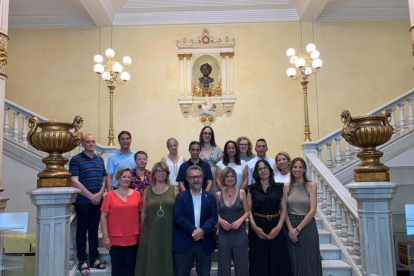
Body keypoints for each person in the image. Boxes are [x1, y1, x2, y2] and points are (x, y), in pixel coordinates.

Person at [69, 134, 107, 275]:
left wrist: (100, 194)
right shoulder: (76, 160)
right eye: (88, 142)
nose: (91, 144)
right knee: (82, 231)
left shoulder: (99, 160)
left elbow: (104, 179)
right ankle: (83, 261)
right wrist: (91, 196)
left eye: (93, 141)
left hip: (97, 201)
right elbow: (74, 181)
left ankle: (94, 259)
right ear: (83, 144)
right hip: (83, 202)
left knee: (93, 230)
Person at [247, 160, 291, 276]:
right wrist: (255, 227)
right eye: (260, 168)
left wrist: (279, 227)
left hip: (276, 224)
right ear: (256, 172)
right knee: (259, 259)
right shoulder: (251, 189)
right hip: (258, 226)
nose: (263, 170)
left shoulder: (279, 187)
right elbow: (248, 210)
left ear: (270, 170)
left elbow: (284, 209)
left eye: (265, 168)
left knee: (277, 258)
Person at [173, 165, 218, 276]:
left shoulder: (210, 196)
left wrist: (202, 231)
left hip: (205, 243)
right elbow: (178, 216)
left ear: (202, 177)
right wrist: (195, 231)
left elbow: (213, 217)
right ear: (187, 179)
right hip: (184, 242)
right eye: (193, 177)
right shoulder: (181, 197)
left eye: (198, 176)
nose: (196, 180)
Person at [135, 162, 178, 276]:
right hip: (151, 231)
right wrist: (143, 231)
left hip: (169, 230)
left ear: (167, 174)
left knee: (167, 257)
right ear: (153, 174)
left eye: (163, 171)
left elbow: (179, 211)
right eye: (158, 171)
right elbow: (143, 211)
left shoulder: (175, 189)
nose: (161, 173)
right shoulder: (147, 191)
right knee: (153, 257)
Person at [284, 157, 322, 276]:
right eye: (295, 167)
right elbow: (284, 210)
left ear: (305, 169)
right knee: (293, 259)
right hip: (290, 225)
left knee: (309, 259)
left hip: (306, 226)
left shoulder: (311, 185)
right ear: (291, 169)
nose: (297, 169)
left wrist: (298, 229)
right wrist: (291, 230)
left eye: (300, 167)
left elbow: (312, 210)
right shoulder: (286, 186)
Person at [101, 168, 142, 276]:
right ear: (118, 178)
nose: (126, 179)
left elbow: (141, 215)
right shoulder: (109, 196)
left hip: (133, 238)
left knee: (130, 268)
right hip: (115, 239)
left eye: (129, 177)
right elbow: (103, 217)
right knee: (117, 268)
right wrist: (105, 237)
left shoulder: (137, 194)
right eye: (124, 176)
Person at [215, 167, 249, 276]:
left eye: (232, 176)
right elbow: (216, 213)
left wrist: (240, 221)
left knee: (241, 266)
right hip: (224, 235)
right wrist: (220, 220)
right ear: (223, 179)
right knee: (224, 266)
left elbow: (247, 212)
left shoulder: (242, 193)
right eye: (227, 176)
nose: (230, 179)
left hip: (239, 234)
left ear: (235, 178)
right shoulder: (218, 195)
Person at [199, 126, 222, 193]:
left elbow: (221, 166)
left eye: (209, 134)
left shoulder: (217, 149)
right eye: (205, 133)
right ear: (201, 135)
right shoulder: (197, 148)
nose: (207, 135)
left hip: (215, 180)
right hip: (201, 179)